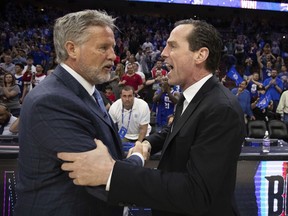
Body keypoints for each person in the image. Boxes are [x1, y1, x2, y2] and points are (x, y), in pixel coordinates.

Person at [58, 19, 246, 216]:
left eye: (172, 46)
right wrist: (148, 144)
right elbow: (176, 131)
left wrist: (113, 174)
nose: (163, 53)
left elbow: (197, 193)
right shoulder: (193, 96)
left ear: (200, 55)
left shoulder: (221, 109)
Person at [14, 10, 142, 216]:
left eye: (113, 47)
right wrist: (138, 158)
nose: (113, 55)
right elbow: (101, 179)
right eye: (103, 47)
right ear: (72, 49)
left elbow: (107, 160)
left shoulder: (89, 91)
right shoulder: (52, 101)